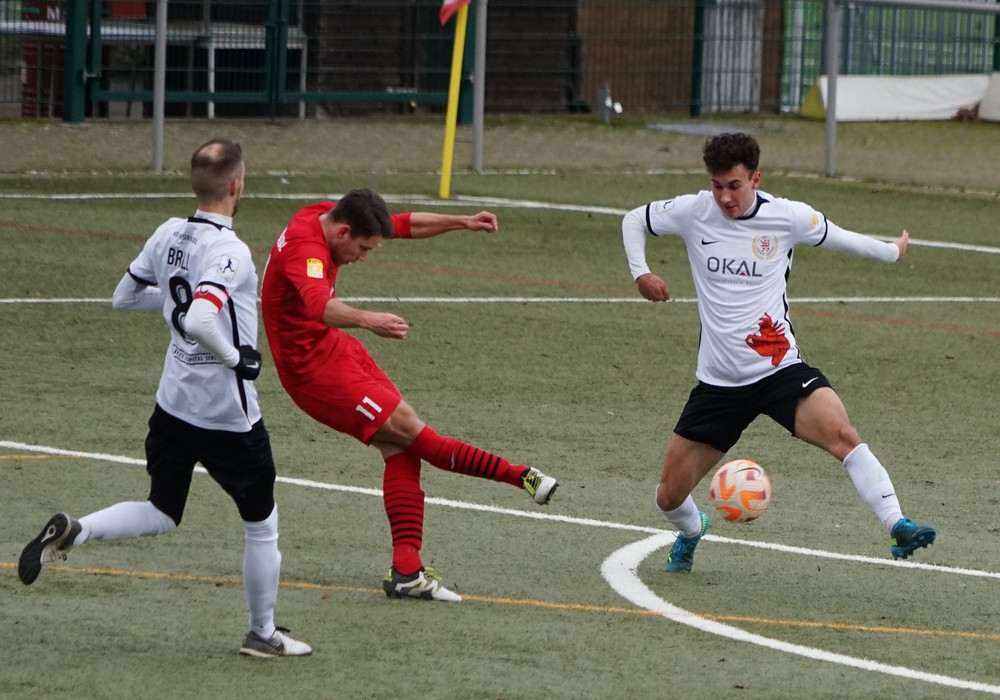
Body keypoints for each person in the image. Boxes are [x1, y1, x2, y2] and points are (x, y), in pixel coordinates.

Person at [17, 138, 311, 657]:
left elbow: (124, 297)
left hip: (172, 406)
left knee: (162, 509)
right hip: (227, 416)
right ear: (237, 184)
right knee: (262, 525)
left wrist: (179, 309)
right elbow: (199, 319)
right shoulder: (232, 251)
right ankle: (262, 633)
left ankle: (78, 531)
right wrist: (236, 358)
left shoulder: (168, 232)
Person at [620, 132, 936, 573]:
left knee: (844, 435)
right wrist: (641, 273)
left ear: (755, 179)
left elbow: (841, 238)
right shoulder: (694, 211)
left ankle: (897, 522)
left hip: (778, 369)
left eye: (734, 185)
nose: (725, 197)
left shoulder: (786, 217)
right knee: (668, 497)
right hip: (718, 384)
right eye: (717, 185)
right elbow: (634, 219)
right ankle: (692, 531)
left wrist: (890, 253)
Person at [260, 188, 558, 602]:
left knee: (400, 447)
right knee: (416, 436)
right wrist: (370, 320)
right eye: (363, 248)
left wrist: (462, 221)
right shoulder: (307, 248)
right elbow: (316, 307)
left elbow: (402, 224)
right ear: (344, 232)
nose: (363, 257)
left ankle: (407, 572)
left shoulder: (326, 216)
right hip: (313, 374)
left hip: (336, 351)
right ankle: (520, 475)